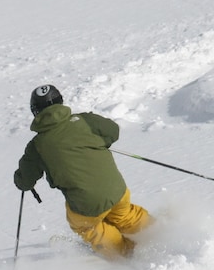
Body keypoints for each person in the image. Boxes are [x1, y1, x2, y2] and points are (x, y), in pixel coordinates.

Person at [13, 84, 150, 260]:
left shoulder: (37, 146)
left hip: (86, 204)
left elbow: (25, 180)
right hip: (117, 190)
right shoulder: (85, 120)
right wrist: (96, 141)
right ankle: (159, 235)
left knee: (87, 226)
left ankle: (124, 255)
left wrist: (20, 180)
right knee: (125, 215)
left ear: (35, 112)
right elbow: (113, 131)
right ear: (60, 102)